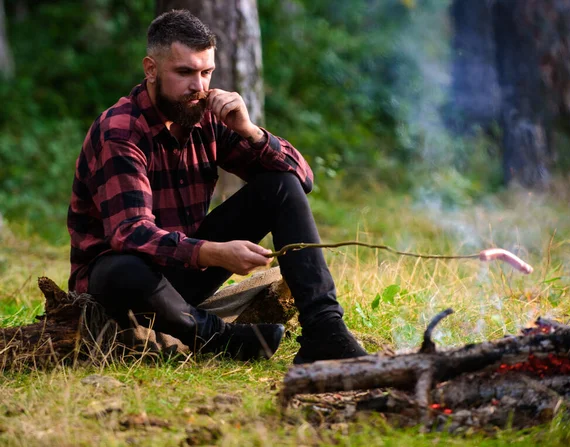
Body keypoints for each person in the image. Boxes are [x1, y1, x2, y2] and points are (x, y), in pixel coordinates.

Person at [67, 9, 367, 364]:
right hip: (123, 290)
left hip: (183, 275)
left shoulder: (206, 114)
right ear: (151, 69)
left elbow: (302, 180)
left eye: (206, 72)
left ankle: (325, 329)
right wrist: (216, 253)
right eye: (184, 73)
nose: (199, 86)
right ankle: (221, 338)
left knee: (280, 185)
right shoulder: (120, 130)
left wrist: (249, 131)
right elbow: (130, 234)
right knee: (121, 269)